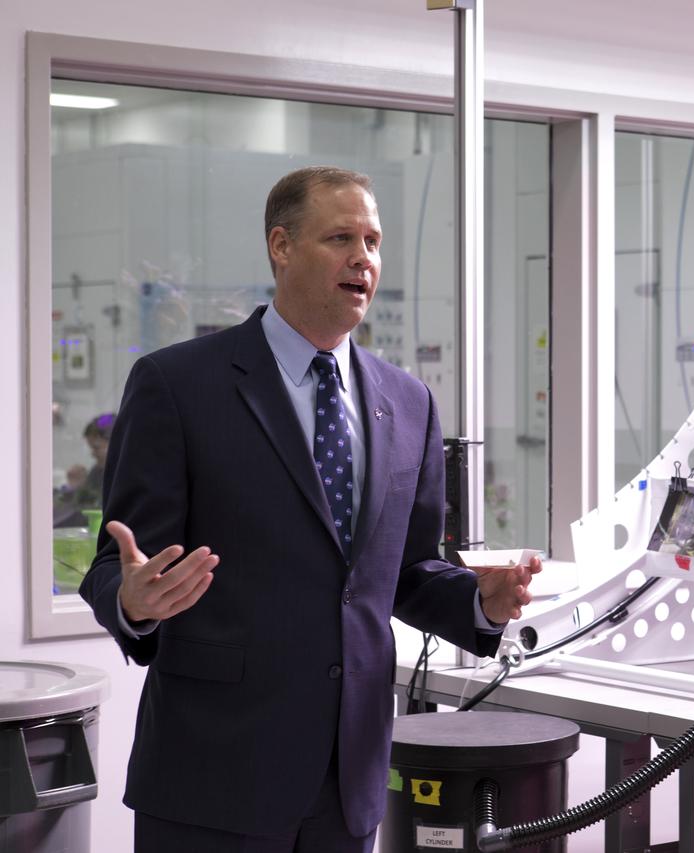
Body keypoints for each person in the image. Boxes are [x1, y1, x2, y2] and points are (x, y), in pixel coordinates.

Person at [80, 166, 538, 853]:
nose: (364, 258)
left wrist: (481, 602)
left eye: (374, 241)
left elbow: (406, 570)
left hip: (346, 782)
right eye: (341, 237)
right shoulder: (179, 385)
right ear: (281, 247)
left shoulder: (408, 403)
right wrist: (136, 600)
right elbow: (116, 568)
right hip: (212, 777)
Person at [54, 412, 114, 527]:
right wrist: (74, 487)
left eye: (96, 447)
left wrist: (78, 486)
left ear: (115, 444)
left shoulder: (121, 476)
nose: (92, 454)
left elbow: (94, 508)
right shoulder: (98, 470)